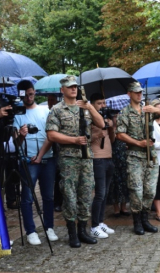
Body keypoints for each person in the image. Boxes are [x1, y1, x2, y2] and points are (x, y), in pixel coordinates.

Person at [46, 75, 105, 247]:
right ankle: (72, 233)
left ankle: (82, 231)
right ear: (62, 90)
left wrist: (89, 107)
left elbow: (101, 124)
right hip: (68, 159)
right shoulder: (57, 110)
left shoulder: (84, 108)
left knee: (86, 195)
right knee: (70, 197)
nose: (74, 89)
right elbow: (51, 134)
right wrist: (73, 140)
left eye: (75, 86)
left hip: (86, 158)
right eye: (70, 86)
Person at [115, 82, 160, 234]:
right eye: (136, 92)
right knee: (136, 191)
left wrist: (154, 109)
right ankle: (137, 221)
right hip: (134, 156)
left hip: (150, 157)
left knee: (150, 191)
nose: (139, 94)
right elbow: (120, 134)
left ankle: (145, 220)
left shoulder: (148, 110)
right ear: (129, 94)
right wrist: (137, 142)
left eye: (140, 92)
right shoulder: (125, 112)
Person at [13, 80, 58, 245]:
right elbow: (15, 142)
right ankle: (30, 230)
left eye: (31, 94)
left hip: (47, 158)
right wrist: (22, 135)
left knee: (48, 195)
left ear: (34, 93)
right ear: (21, 95)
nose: (29, 97)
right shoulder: (17, 114)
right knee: (27, 196)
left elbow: (51, 136)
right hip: (27, 160)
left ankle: (49, 227)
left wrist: (40, 154)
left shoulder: (45, 110)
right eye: (25, 95)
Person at [88, 93, 116, 239]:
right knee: (99, 193)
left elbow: (113, 139)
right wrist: (97, 133)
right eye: (99, 103)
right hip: (97, 158)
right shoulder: (89, 119)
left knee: (105, 193)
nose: (103, 106)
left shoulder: (105, 119)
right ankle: (94, 226)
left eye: (104, 103)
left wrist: (111, 126)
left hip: (108, 158)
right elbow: (87, 139)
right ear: (92, 105)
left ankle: (100, 221)